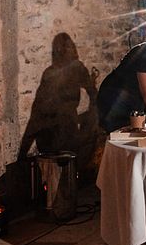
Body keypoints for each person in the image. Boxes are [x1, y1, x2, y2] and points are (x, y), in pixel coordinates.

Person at [18, 33, 101, 176]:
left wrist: (89, 119)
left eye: (71, 47)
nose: (71, 50)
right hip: (54, 132)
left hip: (64, 129)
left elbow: (93, 95)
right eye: (67, 47)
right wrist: (22, 152)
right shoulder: (55, 72)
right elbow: (37, 112)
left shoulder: (73, 69)